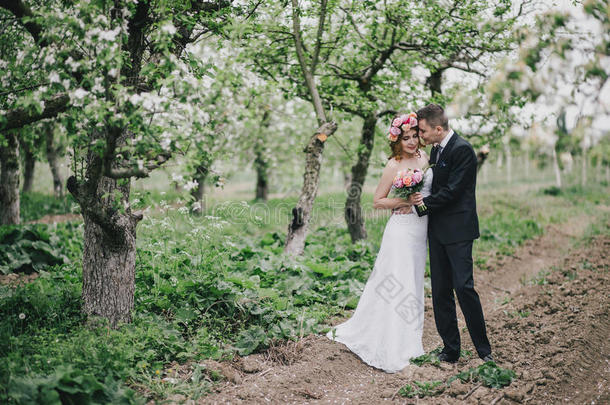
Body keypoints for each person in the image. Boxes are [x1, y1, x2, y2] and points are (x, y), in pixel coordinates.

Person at [326, 112, 432, 373]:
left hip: (421, 230)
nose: (410, 141)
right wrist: (404, 201)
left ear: (420, 135)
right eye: (405, 138)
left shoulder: (424, 158)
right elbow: (377, 201)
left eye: (414, 135)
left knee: (414, 281)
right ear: (397, 140)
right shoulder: (394, 165)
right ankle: (393, 341)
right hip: (401, 230)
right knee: (396, 280)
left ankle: (409, 334)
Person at [412, 103, 493, 363]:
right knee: (440, 291)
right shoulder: (435, 150)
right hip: (436, 231)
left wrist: (422, 205)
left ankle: (484, 351)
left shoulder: (463, 150)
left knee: (464, 288)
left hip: (458, 230)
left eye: (423, 131)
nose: (420, 136)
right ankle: (450, 350)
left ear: (438, 128)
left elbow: (454, 192)